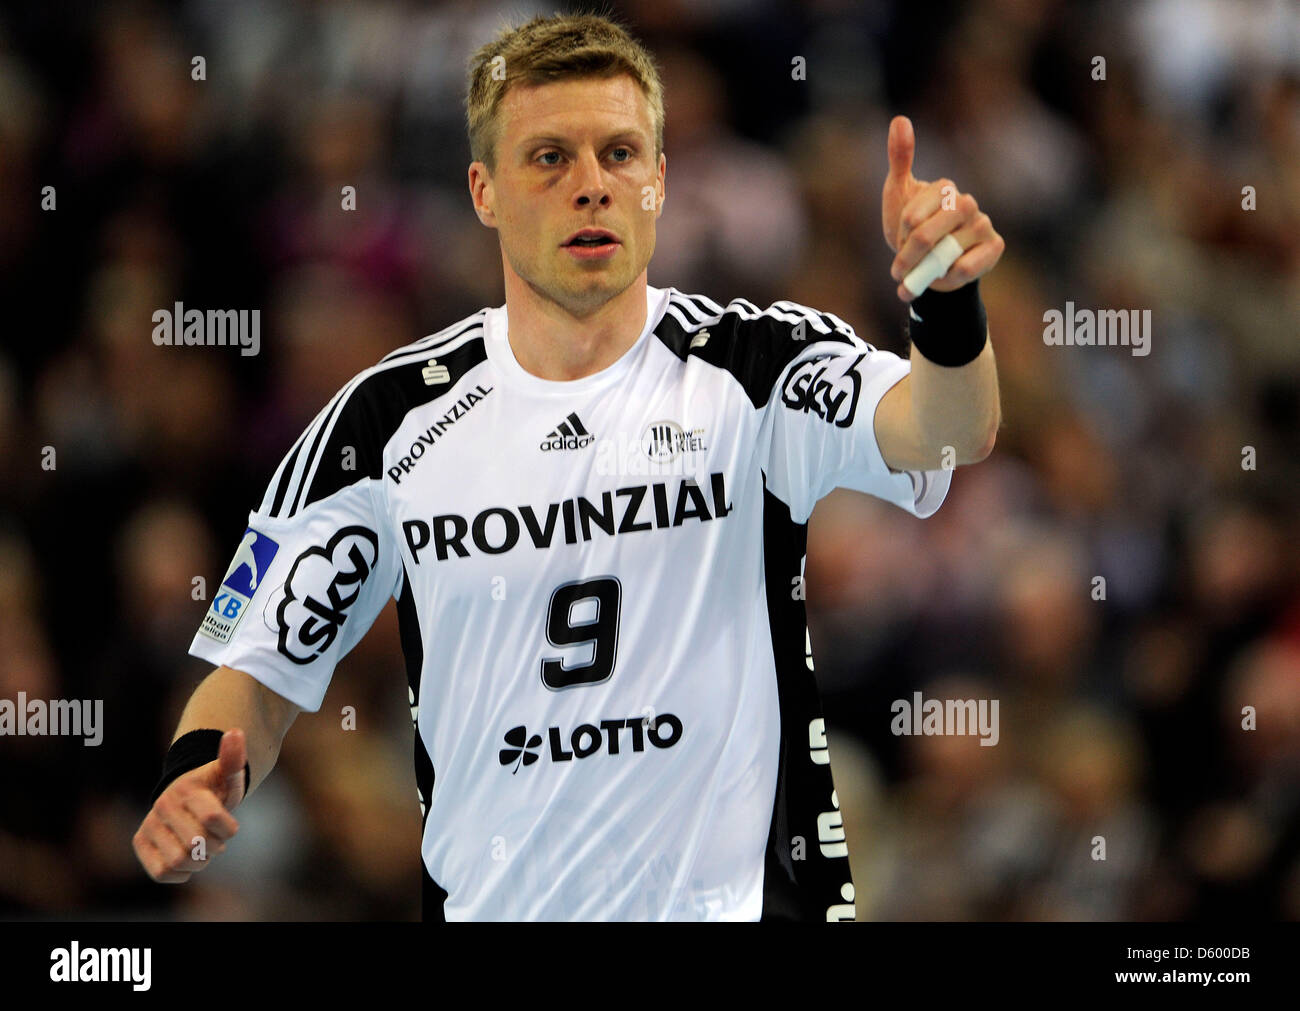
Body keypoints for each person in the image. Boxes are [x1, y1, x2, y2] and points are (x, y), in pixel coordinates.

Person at [132, 12, 1003, 921]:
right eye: (549, 158)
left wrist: (947, 303)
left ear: (660, 179)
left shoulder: (754, 367)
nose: (592, 187)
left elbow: (949, 430)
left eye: (621, 154)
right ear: (484, 190)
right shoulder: (387, 423)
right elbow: (257, 669)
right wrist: (195, 775)